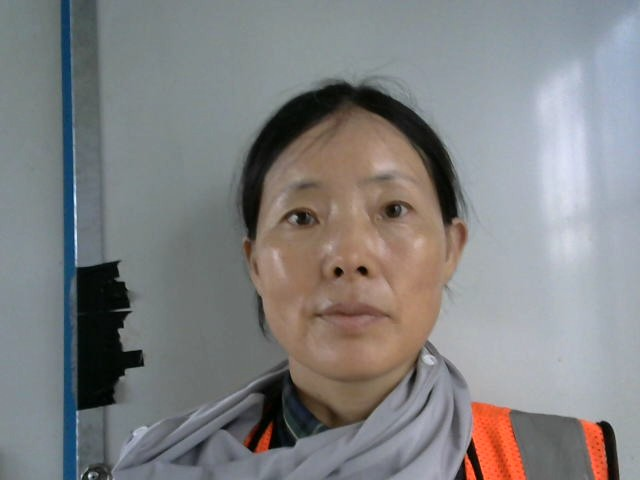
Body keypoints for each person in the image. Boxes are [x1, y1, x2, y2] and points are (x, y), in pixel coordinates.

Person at [112, 81, 618, 479]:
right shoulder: (169, 466)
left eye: (393, 209)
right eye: (303, 217)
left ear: (450, 249)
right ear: (256, 265)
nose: (349, 257)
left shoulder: (563, 462)